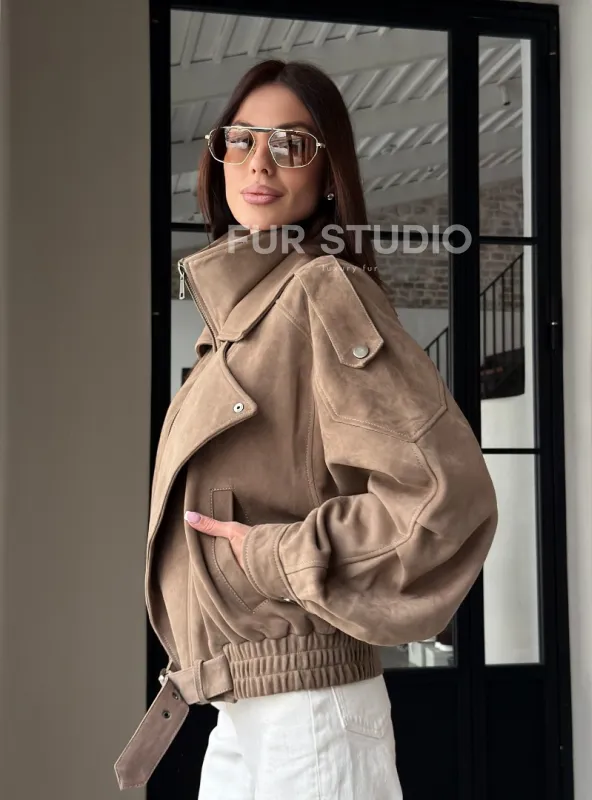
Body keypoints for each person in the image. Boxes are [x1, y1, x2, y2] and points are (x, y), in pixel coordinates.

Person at [114, 59, 498, 798]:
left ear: (328, 176)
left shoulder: (321, 291)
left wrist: (270, 557)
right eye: (241, 140)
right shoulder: (238, 321)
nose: (260, 162)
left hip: (311, 712)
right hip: (239, 708)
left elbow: (443, 498)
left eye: (292, 144)